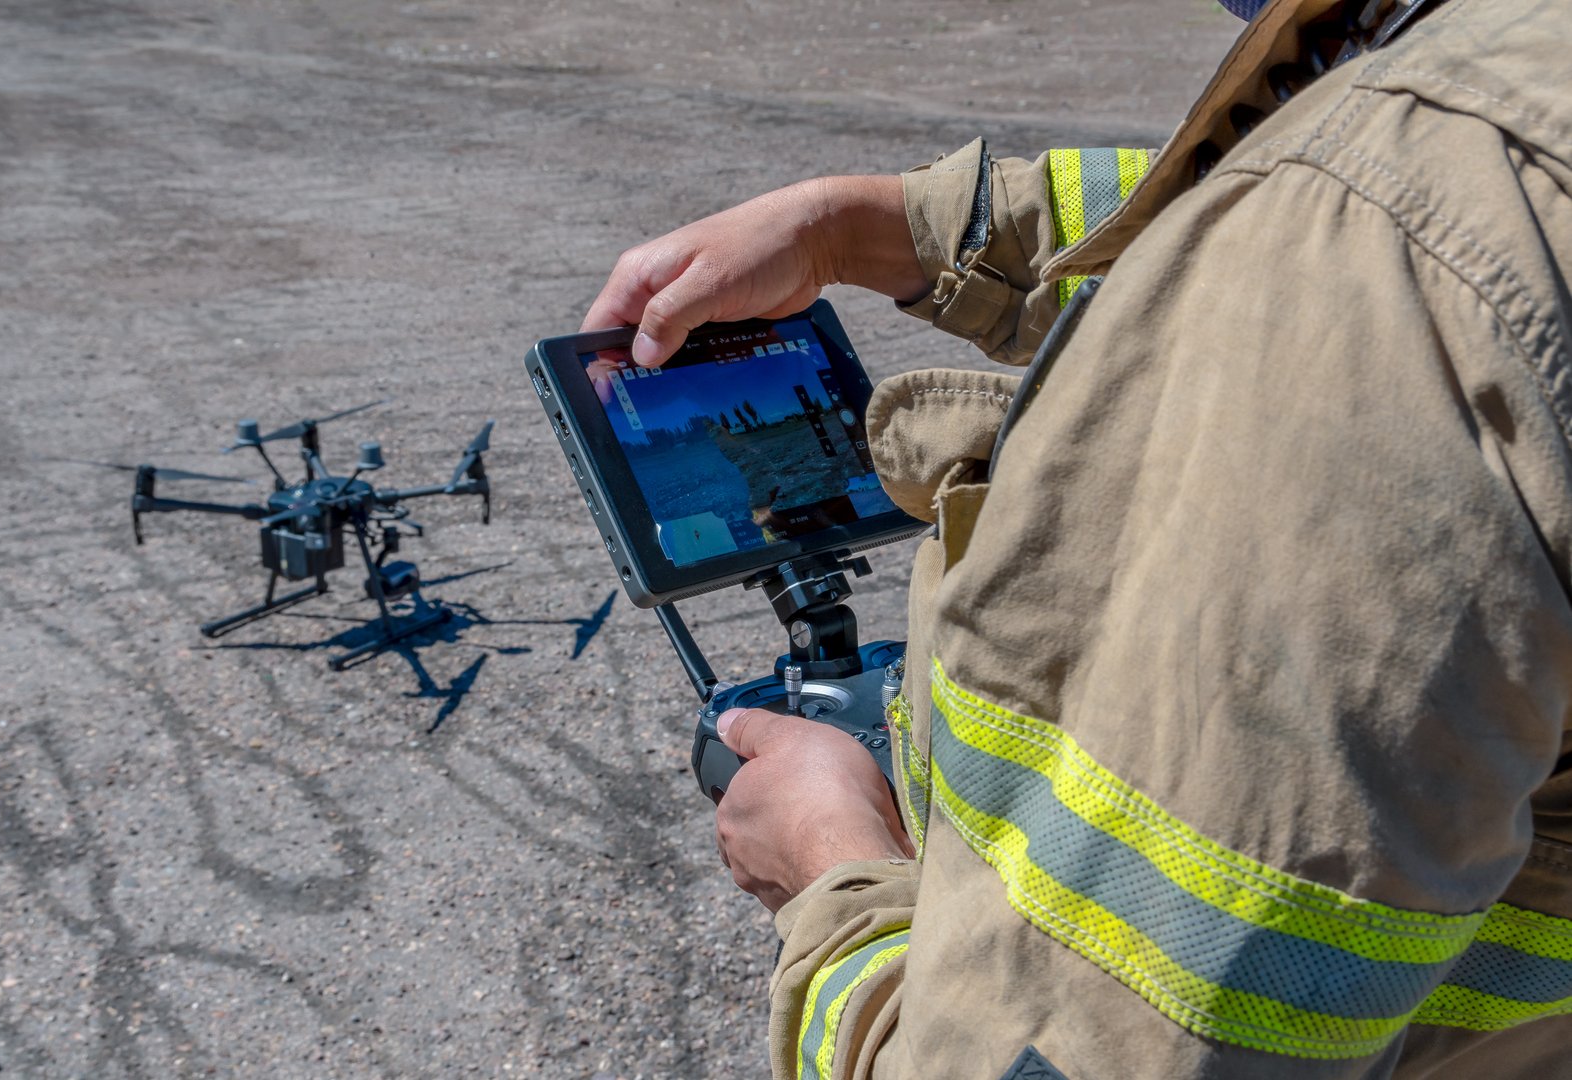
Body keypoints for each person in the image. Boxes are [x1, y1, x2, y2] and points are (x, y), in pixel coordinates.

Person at [581, 0, 1572, 1076]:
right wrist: (870, 226)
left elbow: (1336, 224)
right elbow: (1253, 202)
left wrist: (839, 885)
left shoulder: (1399, 223)